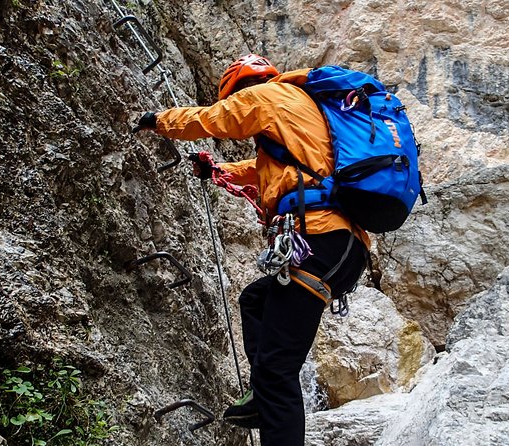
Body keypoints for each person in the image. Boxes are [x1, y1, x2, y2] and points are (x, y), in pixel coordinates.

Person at [133, 54, 369, 446]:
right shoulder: (301, 111)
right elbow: (262, 172)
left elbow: (213, 120)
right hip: (342, 246)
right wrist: (217, 172)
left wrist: (160, 122)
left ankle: (267, 395)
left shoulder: (262, 96)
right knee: (256, 300)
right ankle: (262, 395)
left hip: (321, 239)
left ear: (239, 86)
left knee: (279, 371)